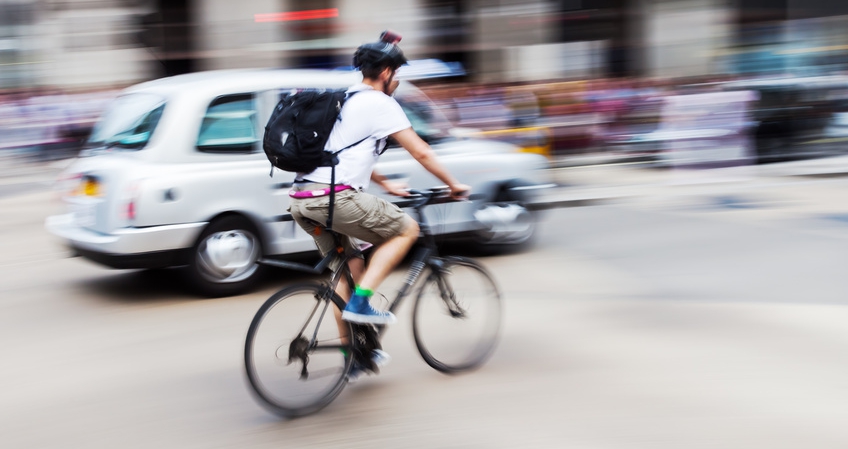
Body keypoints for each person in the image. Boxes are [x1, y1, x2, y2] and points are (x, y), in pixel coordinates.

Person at [287, 31, 470, 379]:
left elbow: (342, 153)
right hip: (333, 199)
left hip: (302, 200)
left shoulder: (344, 99)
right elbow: (421, 151)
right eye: (396, 73)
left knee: (348, 270)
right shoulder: (380, 103)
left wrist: (385, 183)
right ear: (386, 72)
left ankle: (353, 356)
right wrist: (454, 184)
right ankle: (361, 304)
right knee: (406, 229)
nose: (398, 80)